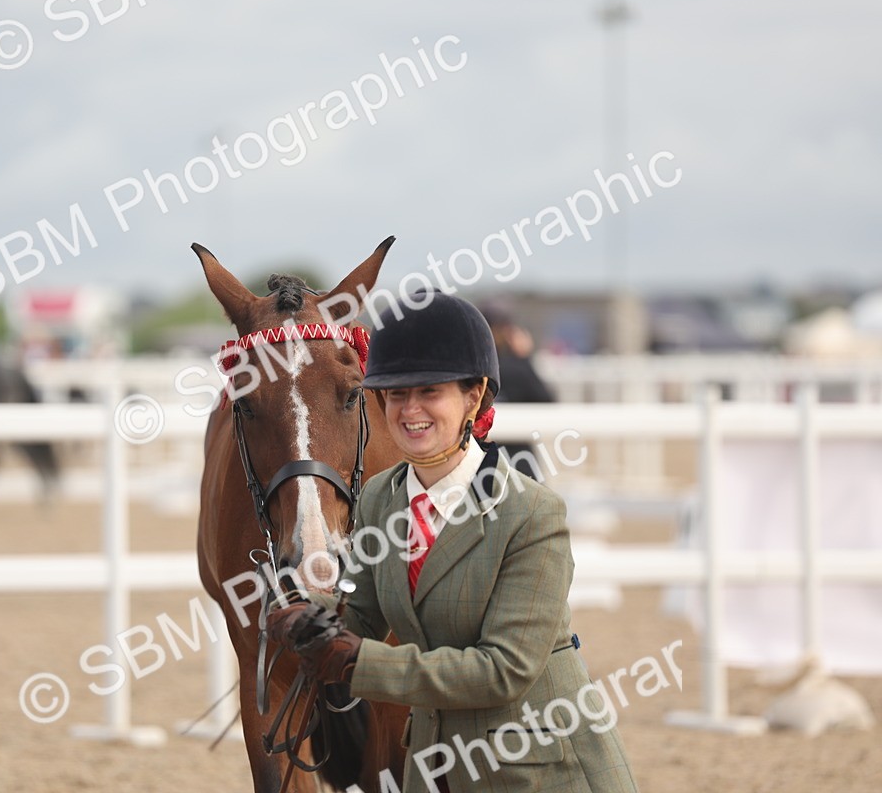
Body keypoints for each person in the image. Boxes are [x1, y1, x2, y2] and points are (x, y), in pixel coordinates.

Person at [268, 290, 638, 792]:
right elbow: (362, 616)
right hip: (433, 765)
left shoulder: (531, 513)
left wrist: (358, 660)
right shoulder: (380, 497)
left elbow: (503, 669)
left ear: (474, 395)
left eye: (429, 392)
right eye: (396, 394)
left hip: (538, 768)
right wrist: (305, 610)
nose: (409, 409)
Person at [482, 304, 556, 480]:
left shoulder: (474, 367)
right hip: (518, 462)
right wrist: (525, 358)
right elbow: (547, 401)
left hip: (479, 465)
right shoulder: (516, 367)